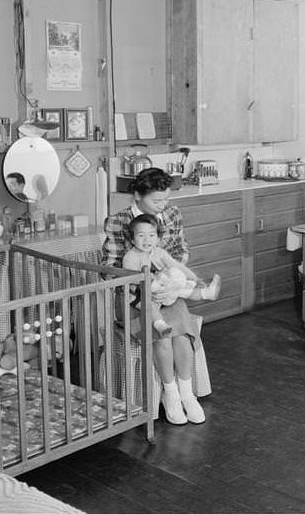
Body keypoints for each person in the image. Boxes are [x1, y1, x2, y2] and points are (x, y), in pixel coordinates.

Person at [102, 167, 204, 425]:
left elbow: (181, 249)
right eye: (156, 201)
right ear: (137, 195)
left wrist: (172, 277)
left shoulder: (172, 213)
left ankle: (186, 394)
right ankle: (170, 395)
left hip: (168, 292)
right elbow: (109, 267)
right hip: (133, 297)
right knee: (162, 337)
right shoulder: (117, 221)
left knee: (182, 336)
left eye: (166, 199)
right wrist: (142, 281)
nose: (163, 206)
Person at [122, 213, 221, 338]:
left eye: (151, 235)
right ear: (132, 239)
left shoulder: (159, 253)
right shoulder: (131, 257)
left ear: (158, 238)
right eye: (141, 236)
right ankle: (160, 325)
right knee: (149, 305)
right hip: (140, 293)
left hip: (163, 290)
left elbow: (176, 265)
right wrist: (151, 279)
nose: (147, 240)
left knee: (183, 288)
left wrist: (194, 278)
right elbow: (131, 276)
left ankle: (207, 293)